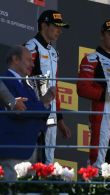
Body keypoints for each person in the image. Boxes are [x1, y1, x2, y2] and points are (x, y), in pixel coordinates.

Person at [0, 46, 55, 180]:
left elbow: (37, 111)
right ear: (15, 59)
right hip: (13, 150)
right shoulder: (5, 80)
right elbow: (21, 110)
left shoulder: (27, 85)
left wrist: (45, 102)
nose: (32, 64)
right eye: (28, 60)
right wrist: (43, 103)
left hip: (31, 150)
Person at [24, 9, 71, 164]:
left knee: (49, 152)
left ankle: (47, 184)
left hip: (51, 113)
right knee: (34, 152)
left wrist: (60, 118)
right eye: (56, 26)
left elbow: (53, 85)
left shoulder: (53, 52)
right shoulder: (31, 47)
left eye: (61, 27)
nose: (59, 31)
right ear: (44, 25)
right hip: (35, 110)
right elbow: (25, 79)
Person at [77, 19, 110, 169]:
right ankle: (93, 191)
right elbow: (82, 88)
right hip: (101, 115)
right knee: (98, 160)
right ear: (102, 35)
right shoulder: (91, 59)